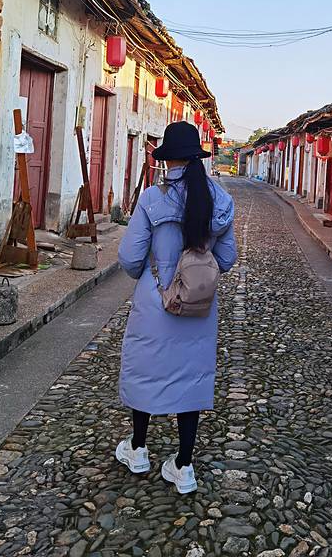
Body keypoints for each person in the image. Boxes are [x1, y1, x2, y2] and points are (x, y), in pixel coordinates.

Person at [115, 121, 237, 493]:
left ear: (168, 159)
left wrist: (155, 271)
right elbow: (227, 258)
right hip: (198, 306)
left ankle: (138, 449)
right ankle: (184, 466)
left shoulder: (152, 198)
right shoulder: (219, 200)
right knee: (191, 378)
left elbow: (130, 258)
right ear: (197, 157)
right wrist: (196, 270)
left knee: (146, 370)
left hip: (156, 299)